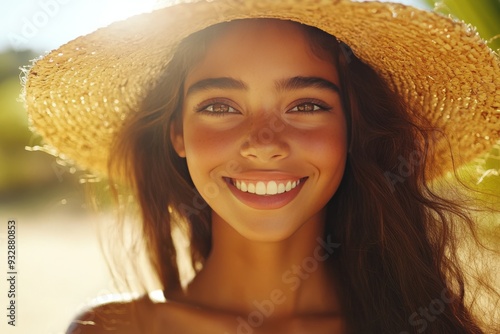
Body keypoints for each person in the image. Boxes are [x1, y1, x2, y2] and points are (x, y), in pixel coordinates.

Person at [23, 0, 499, 333]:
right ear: (177, 134)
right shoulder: (113, 331)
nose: (264, 144)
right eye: (220, 106)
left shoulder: (428, 324)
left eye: (307, 105)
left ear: (353, 130)